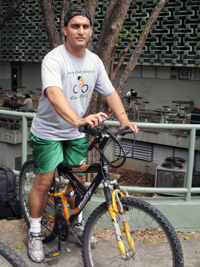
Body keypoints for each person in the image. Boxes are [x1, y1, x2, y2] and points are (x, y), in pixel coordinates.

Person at [27, 5, 138, 263]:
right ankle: (34, 232)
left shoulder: (94, 61)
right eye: (75, 26)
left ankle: (74, 219)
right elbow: (54, 95)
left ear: (90, 31)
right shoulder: (54, 59)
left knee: (79, 182)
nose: (81, 31)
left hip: (76, 129)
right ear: (65, 29)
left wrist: (124, 120)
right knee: (44, 181)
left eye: (85, 26)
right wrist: (78, 120)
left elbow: (110, 92)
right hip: (50, 131)